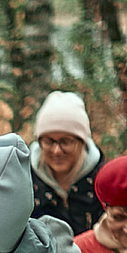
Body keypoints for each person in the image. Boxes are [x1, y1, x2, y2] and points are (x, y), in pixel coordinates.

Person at [28, 91, 105, 237]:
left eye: (66, 141)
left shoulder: (104, 181)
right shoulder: (24, 180)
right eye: (48, 141)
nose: (57, 151)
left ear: (82, 142)